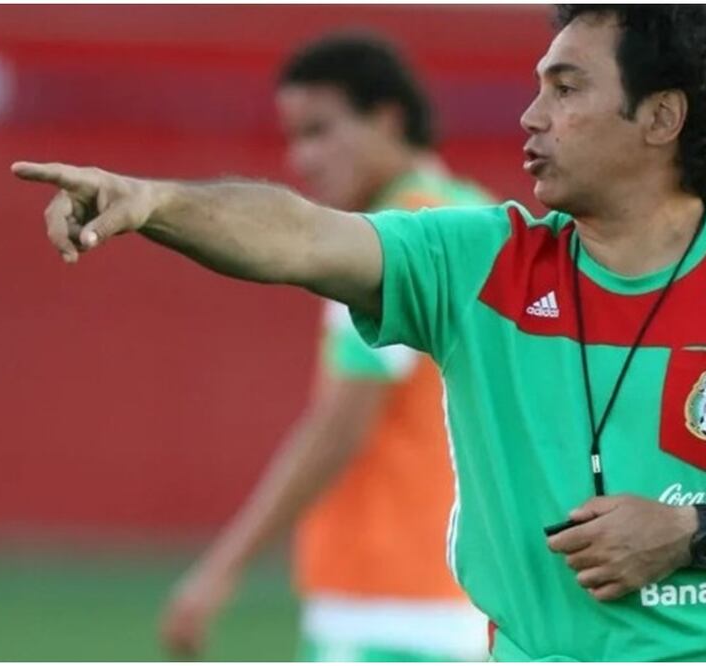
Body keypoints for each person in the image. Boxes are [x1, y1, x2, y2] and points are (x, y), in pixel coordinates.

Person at [14, 5, 706, 661]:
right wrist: (156, 202)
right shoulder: (477, 262)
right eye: (537, 88)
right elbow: (299, 235)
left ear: (660, 117)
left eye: (565, 88)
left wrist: (692, 532)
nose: (531, 117)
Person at [157, 34, 492, 661]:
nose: (301, 158)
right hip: (466, 595)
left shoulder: (382, 243)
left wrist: (222, 567)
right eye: (294, 136)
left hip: (382, 593)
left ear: (387, 118)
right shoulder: (475, 216)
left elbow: (340, 428)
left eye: (319, 131)